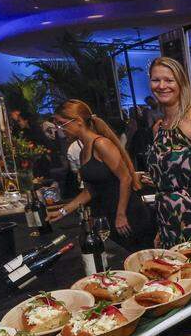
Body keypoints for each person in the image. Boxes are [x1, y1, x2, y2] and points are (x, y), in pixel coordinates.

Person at [48, 99, 155, 251]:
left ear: (78, 121)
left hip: (128, 215)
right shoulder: (83, 151)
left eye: (61, 124)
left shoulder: (101, 144)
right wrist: (62, 212)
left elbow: (125, 178)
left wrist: (121, 214)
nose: (60, 129)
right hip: (109, 215)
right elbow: (90, 190)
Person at [142, 57, 191, 246]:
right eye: (156, 80)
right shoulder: (159, 127)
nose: (161, 86)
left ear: (181, 83)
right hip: (167, 220)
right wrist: (162, 228)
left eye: (169, 80)